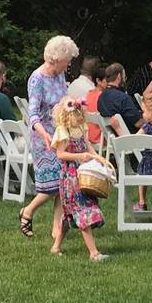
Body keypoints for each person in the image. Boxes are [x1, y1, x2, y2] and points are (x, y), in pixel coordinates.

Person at [18, 35, 80, 240]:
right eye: (68, 59)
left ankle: (57, 229)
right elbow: (33, 113)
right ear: (56, 58)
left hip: (62, 134)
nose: (70, 63)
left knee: (63, 184)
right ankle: (27, 211)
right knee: (49, 186)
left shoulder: (60, 75)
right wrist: (44, 133)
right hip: (43, 137)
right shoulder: (37, 79)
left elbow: (63, 101)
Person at [49, 96, 108, 261]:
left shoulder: (81, 128)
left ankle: (56, 246)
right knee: (83, 211)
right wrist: (80, 156)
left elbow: (88, 147)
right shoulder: (63, 131)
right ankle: (93, 253)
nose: (79, 117)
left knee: (69, 215)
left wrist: (98, 158)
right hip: (70, 177)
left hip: (83, 174)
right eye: (75, 114)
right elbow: (60, 154)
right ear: (67, 115)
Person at [97, 63, 144, 132]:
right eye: (124, 76)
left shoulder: (101, 98)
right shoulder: (123, 98)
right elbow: (138, 123)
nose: (125, 79)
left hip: (114, 139)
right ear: (119, 76)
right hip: (134, 138)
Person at [84, 62, 107, 146]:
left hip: (89, 136)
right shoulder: (102, 96)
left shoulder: (89, 93)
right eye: (107, 79)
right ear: (98, 80)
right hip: (100, 138)